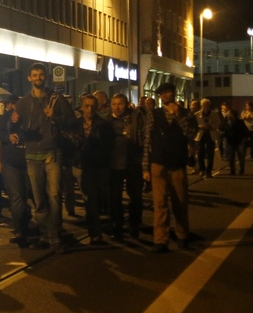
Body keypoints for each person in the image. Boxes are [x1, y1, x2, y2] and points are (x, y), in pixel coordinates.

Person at [10, 63, 76, 252]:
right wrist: (13, 125)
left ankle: (55, 237)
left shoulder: (56, 99)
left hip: (52, 153)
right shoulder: (22, 102)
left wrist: (55, 117)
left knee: (54, 196)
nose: (38, 78)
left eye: (41, 75)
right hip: (32, 155)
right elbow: (14, 129)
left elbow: (72, 123)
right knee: (39, 199)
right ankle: (44, 234)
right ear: (29, 78)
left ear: (45, 77)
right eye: (34, 75)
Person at [143, 82, 197, 253]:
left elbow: (190, 134)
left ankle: (182, 234)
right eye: (162, 94)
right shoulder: (154, 114)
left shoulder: (186, 114)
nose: (166, 96)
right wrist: (145, 167)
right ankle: (161, 239)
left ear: (174, 93)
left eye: (168, 92)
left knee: (180, 201)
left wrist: (178, 114)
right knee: (159, 203)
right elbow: (147, 141)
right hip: (158, 162)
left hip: (177, 163)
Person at [73, 94, 115, 245]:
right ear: (82, 107)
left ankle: (99, 230)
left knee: (97, 199)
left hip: (98, 166)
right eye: (86, 106)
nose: (90, 109)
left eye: (92, 106)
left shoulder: (103, 125)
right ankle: (95, 232)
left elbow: (109, 146)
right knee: (89, 200)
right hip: (81, 166)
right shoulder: (76, 124)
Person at [108, 93, 145, 241]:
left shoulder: (136, 117)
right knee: (114, 198)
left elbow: (144, 136)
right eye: (114, 104)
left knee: (135, 196)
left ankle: (134, 225)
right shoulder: (107, 119)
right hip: (114, 164)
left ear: (127, 104)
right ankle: (116, 227)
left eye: (120, 104)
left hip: (133, 162)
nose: (117, 107)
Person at [0, 95, 31, 245]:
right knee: (16, 197)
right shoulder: (6, 117)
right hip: (11, 163)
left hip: (31, 162)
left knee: (30, 196)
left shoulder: (32, 116)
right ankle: (19, 230)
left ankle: (30, 223)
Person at [194, 98, 222, 178]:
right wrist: (200, 126)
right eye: (203, 105)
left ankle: (208, 171)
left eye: (206, 105)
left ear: (209, 105)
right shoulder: (197, 114)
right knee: (200, 153)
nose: (205, 106)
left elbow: (218, 124)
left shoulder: (214, 114)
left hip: (211, 134)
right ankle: (202, 169)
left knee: (210, 153)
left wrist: (211, 126)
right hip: (200, 135)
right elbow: (194, 125)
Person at [222, 108, 247, 175]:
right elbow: (224, 130)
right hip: (230, 141)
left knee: (241, 156)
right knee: (231, 156)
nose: (228, 115)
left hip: (239, 141)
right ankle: (232, 170)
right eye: (227, 114)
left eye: (229, 114)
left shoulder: (240, 122)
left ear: (233, 115)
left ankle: (242, 169)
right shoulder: (226, 122)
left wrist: (244, 138)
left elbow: (245, 130)